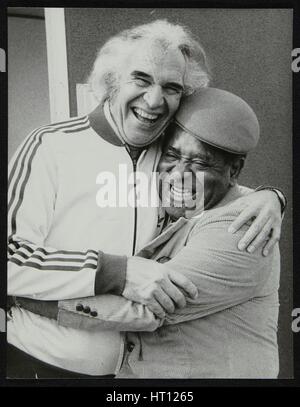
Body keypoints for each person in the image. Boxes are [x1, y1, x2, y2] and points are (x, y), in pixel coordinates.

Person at [7, 20, 284, 378]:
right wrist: (115, 271)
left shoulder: (165, 152)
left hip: (127, 374)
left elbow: (221, 184)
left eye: (171, 87)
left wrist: (272, 197)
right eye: (141, 79)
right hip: (41, 363)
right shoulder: (51, 145)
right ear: (112, 81)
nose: (154, 100)